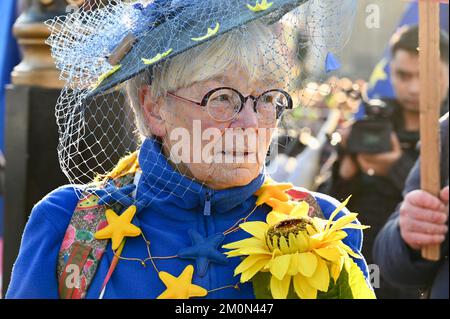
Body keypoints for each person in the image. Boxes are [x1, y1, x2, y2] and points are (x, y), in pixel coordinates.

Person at [6, 0, 372, 299]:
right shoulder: (69, 224)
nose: (249, 124)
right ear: (154, 108)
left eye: (266, 99)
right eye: (222, 98)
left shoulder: (323, 225)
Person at [318, 25, 449, 298]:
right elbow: (324, 212)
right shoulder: (373, 123)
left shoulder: (444, 132)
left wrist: (396, 167)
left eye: (425, 76)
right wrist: (345, 172)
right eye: (403, 75)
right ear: (391, 72)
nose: (414, 87)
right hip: (357, 269)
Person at [373, 113, 449, 299]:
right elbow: (390, 260)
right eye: (405, 80)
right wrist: (409, 236)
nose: (413, 89)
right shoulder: (444, 133)